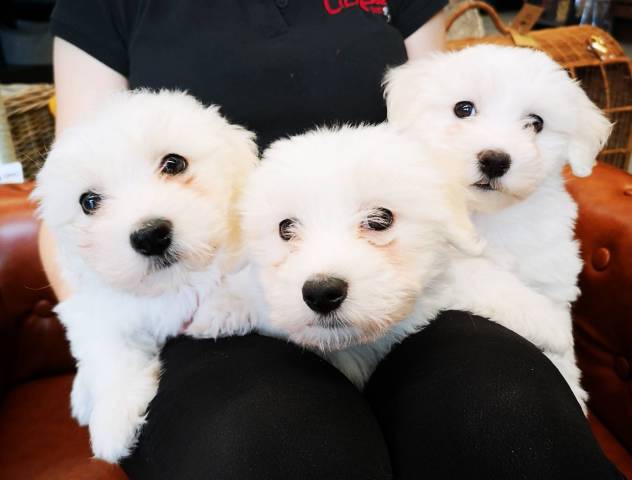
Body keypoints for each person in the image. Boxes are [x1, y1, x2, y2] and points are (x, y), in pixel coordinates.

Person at [41, 1, 621, 478]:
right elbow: (77, 187)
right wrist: (108, 342)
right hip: (212, 295)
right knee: (282, 445)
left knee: (503, 410)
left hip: (405, 276)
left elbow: (442, 127)